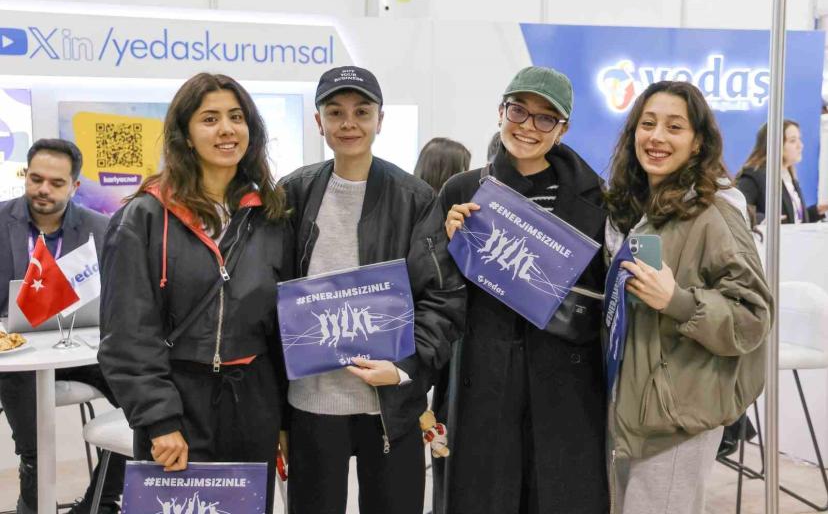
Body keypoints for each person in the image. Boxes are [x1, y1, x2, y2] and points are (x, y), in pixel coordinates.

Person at [97, 73, 292, 513]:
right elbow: (128, 331)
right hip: (179, 400)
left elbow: (281, 328)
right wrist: (159, 419)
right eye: (209, 119)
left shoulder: (269, 215)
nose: (226, 129)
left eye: (236, 117)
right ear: (185, 134)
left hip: (253, 400)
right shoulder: (145, 217)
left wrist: (284, 416)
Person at [278, 65, 465, 514]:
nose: (349, 123)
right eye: (335, 112)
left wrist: (403, 369)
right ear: (318, 121)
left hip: (389, 406)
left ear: (380, 120)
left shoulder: (414, 198)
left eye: (362, 112)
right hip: (311, 403)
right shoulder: (293, 194)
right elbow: (269, 295)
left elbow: (443, 298)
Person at [439, 66, 609, 513]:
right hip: (486, 372)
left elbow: (603, 293)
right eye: (519, 110)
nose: (528, 126)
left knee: (559, 495)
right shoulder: (463, 189)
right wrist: (449, 245)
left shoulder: (597, 199)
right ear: (501, 111)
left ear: (563, 129)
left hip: (567, 376)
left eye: (545, 117)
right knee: (484, 495)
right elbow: (437, 289)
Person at [603, 81, 772, 514]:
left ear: (698, 142)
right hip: (630, 410)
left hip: (677, 416)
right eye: (648, 124)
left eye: (674, 127)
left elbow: (752, 316)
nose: (657, 137)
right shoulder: (631, 209)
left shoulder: (715, 213)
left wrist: (676, 301)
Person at [0, 139, 125, 514]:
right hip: (16, 357)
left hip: (82, 351)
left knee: (145, 410)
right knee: (36, 445)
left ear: (74, 186)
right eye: (36, 179)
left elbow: (118, 296)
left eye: (56, 183)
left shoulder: (100, 228)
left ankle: (99, 502)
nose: (43, 189)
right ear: (26, 175)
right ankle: (34, 495)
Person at [736, 119, 828, 224]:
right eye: (793, 141)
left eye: (799, 139)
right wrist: (764, 220)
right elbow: (739, 211)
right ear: (775, 144)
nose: (800, 146)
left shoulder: (789, 175)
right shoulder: (754, 175)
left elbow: (792, 218)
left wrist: (818, 210)